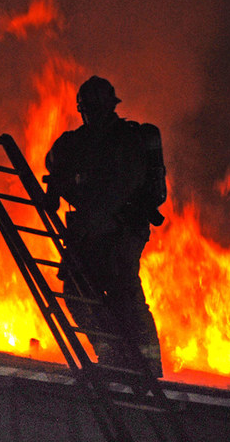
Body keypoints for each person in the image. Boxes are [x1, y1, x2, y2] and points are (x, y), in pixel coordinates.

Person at [44, 75, 165, 377]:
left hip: (123, 230)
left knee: (123, 291)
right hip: (92, 231)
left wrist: (97, 217)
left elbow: (122, 188)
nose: (93, 115)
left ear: (110, 107)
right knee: (77, 291)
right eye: (89, 110)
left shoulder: (128, 141)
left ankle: (147, 362)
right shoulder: (77, 142)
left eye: (96, 109)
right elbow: (55, 161)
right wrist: (55, 190)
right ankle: (110, 353)